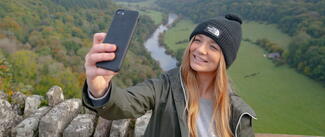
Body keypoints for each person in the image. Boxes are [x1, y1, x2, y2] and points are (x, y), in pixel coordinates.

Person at [82, 14, 256, 137]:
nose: (200, 50)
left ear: (224, 59)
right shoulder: (165, 86)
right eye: (197, 40)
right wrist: (99, 88)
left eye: (213, 47)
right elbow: (126, 103)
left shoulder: (238, 113)